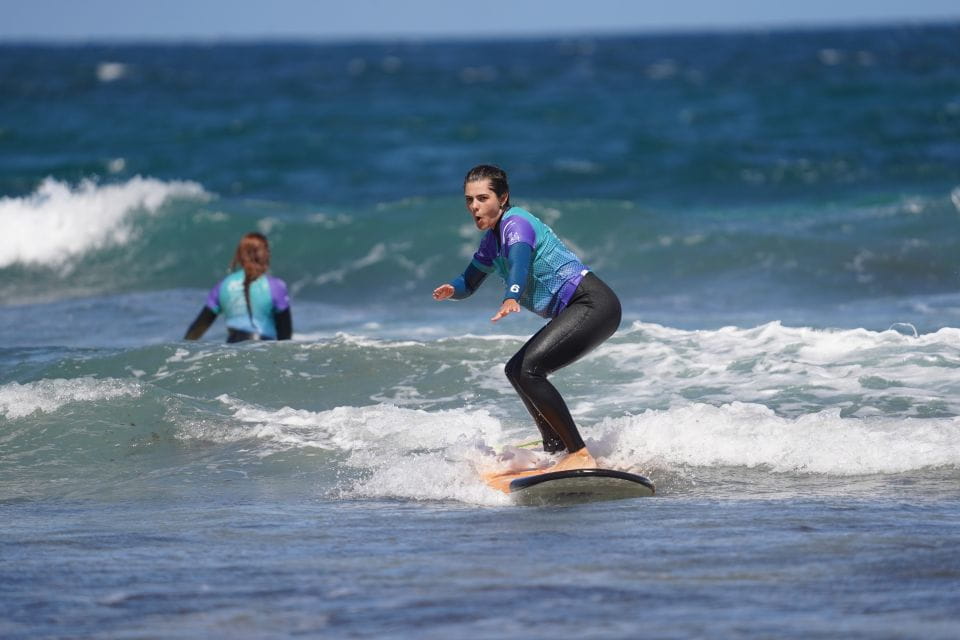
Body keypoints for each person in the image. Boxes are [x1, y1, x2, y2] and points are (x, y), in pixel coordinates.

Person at [432, 165, 621, 472]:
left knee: (529, 370)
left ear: (503, 197)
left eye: (482, 198)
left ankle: (578, 453)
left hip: (593, 303)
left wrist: (512, 296)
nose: (474, 206)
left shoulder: (516, 225)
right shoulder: (491, 242)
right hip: (579, 308)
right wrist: (452, 290)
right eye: (469, 200)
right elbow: (468, 282)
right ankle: (556, 447)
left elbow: (519, 264)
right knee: (516, 370)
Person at [184, 232, 293, 343]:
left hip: (232, 347)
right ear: (265, 255)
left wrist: (181, 350)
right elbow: (285, 335)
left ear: (240, 255)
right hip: (262, 347)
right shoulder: (275, 286)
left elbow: (198, 328)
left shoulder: (223, 285)